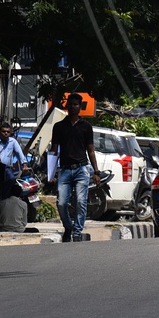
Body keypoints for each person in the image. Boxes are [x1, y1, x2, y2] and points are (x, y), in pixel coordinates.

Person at [50, 93, 99, 242]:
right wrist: (50, 173)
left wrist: (96, 172)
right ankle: (68, 227)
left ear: (80, 107)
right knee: (61, 203)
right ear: (67, 106)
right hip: (64, 169)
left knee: (80, 201)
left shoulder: (86, 127)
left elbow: (90, 150)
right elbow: (54, 150)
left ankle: (77, 232)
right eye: (70, 104)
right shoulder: (58, 127)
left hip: (81, 169)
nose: (73, 107)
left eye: (76, 104)